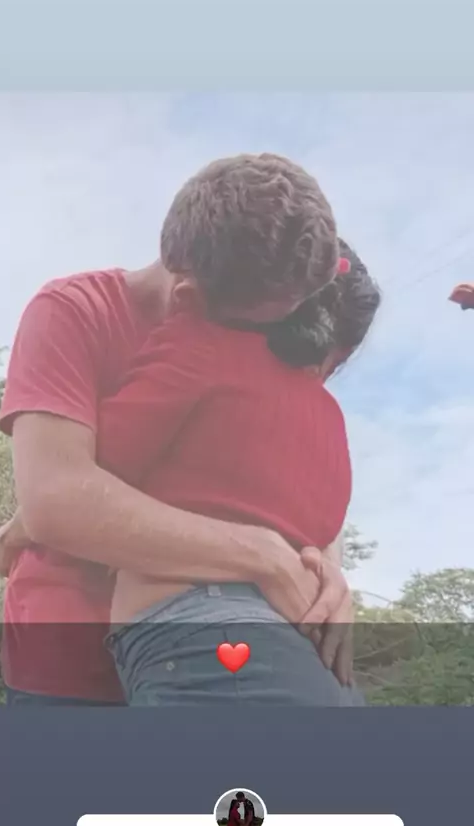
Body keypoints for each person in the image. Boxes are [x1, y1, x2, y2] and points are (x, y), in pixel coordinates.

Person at [0, 153, 349, 707]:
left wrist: (326, 570)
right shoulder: (72, 311)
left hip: (237, 649)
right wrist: (263, 555)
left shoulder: (255, 333)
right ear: (187, 295)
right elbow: (58, 501)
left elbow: (290, 475)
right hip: (72, 668)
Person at [97, 240, 381, 706]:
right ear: (341, 352)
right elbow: (320, 532)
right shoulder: (330, 420)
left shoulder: (202, 347)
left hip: (207, 641)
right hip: (320, 663)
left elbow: (91, 474)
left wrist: (25, 523)